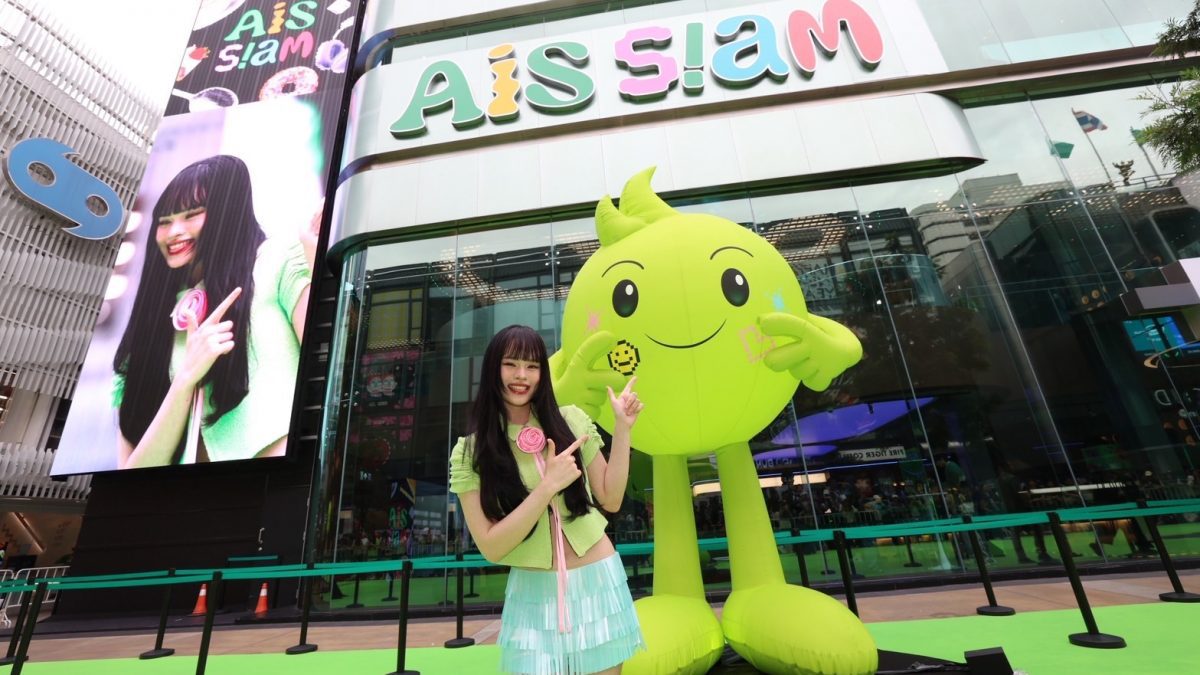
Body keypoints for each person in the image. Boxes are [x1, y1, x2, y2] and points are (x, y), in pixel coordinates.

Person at [449, 325, 645, 674]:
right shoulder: (470, 452)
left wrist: (623, 429)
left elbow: (611, 498)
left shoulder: (571, 420)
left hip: (597, 580)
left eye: (532, 365)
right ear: (493, 368)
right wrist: (546, 487)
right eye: (511, 364)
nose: (521, 376)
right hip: (532, 592)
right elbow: (491, 547)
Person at [113, 155, 316, 468]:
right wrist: (185, 378)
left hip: (287, 476)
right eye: (164, 221)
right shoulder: (150, 326)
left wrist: (316, 260)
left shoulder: (276, 259)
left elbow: (330, 367)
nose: (173, 232)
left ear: (227, 213)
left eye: (191, 215)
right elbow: (131, 472)